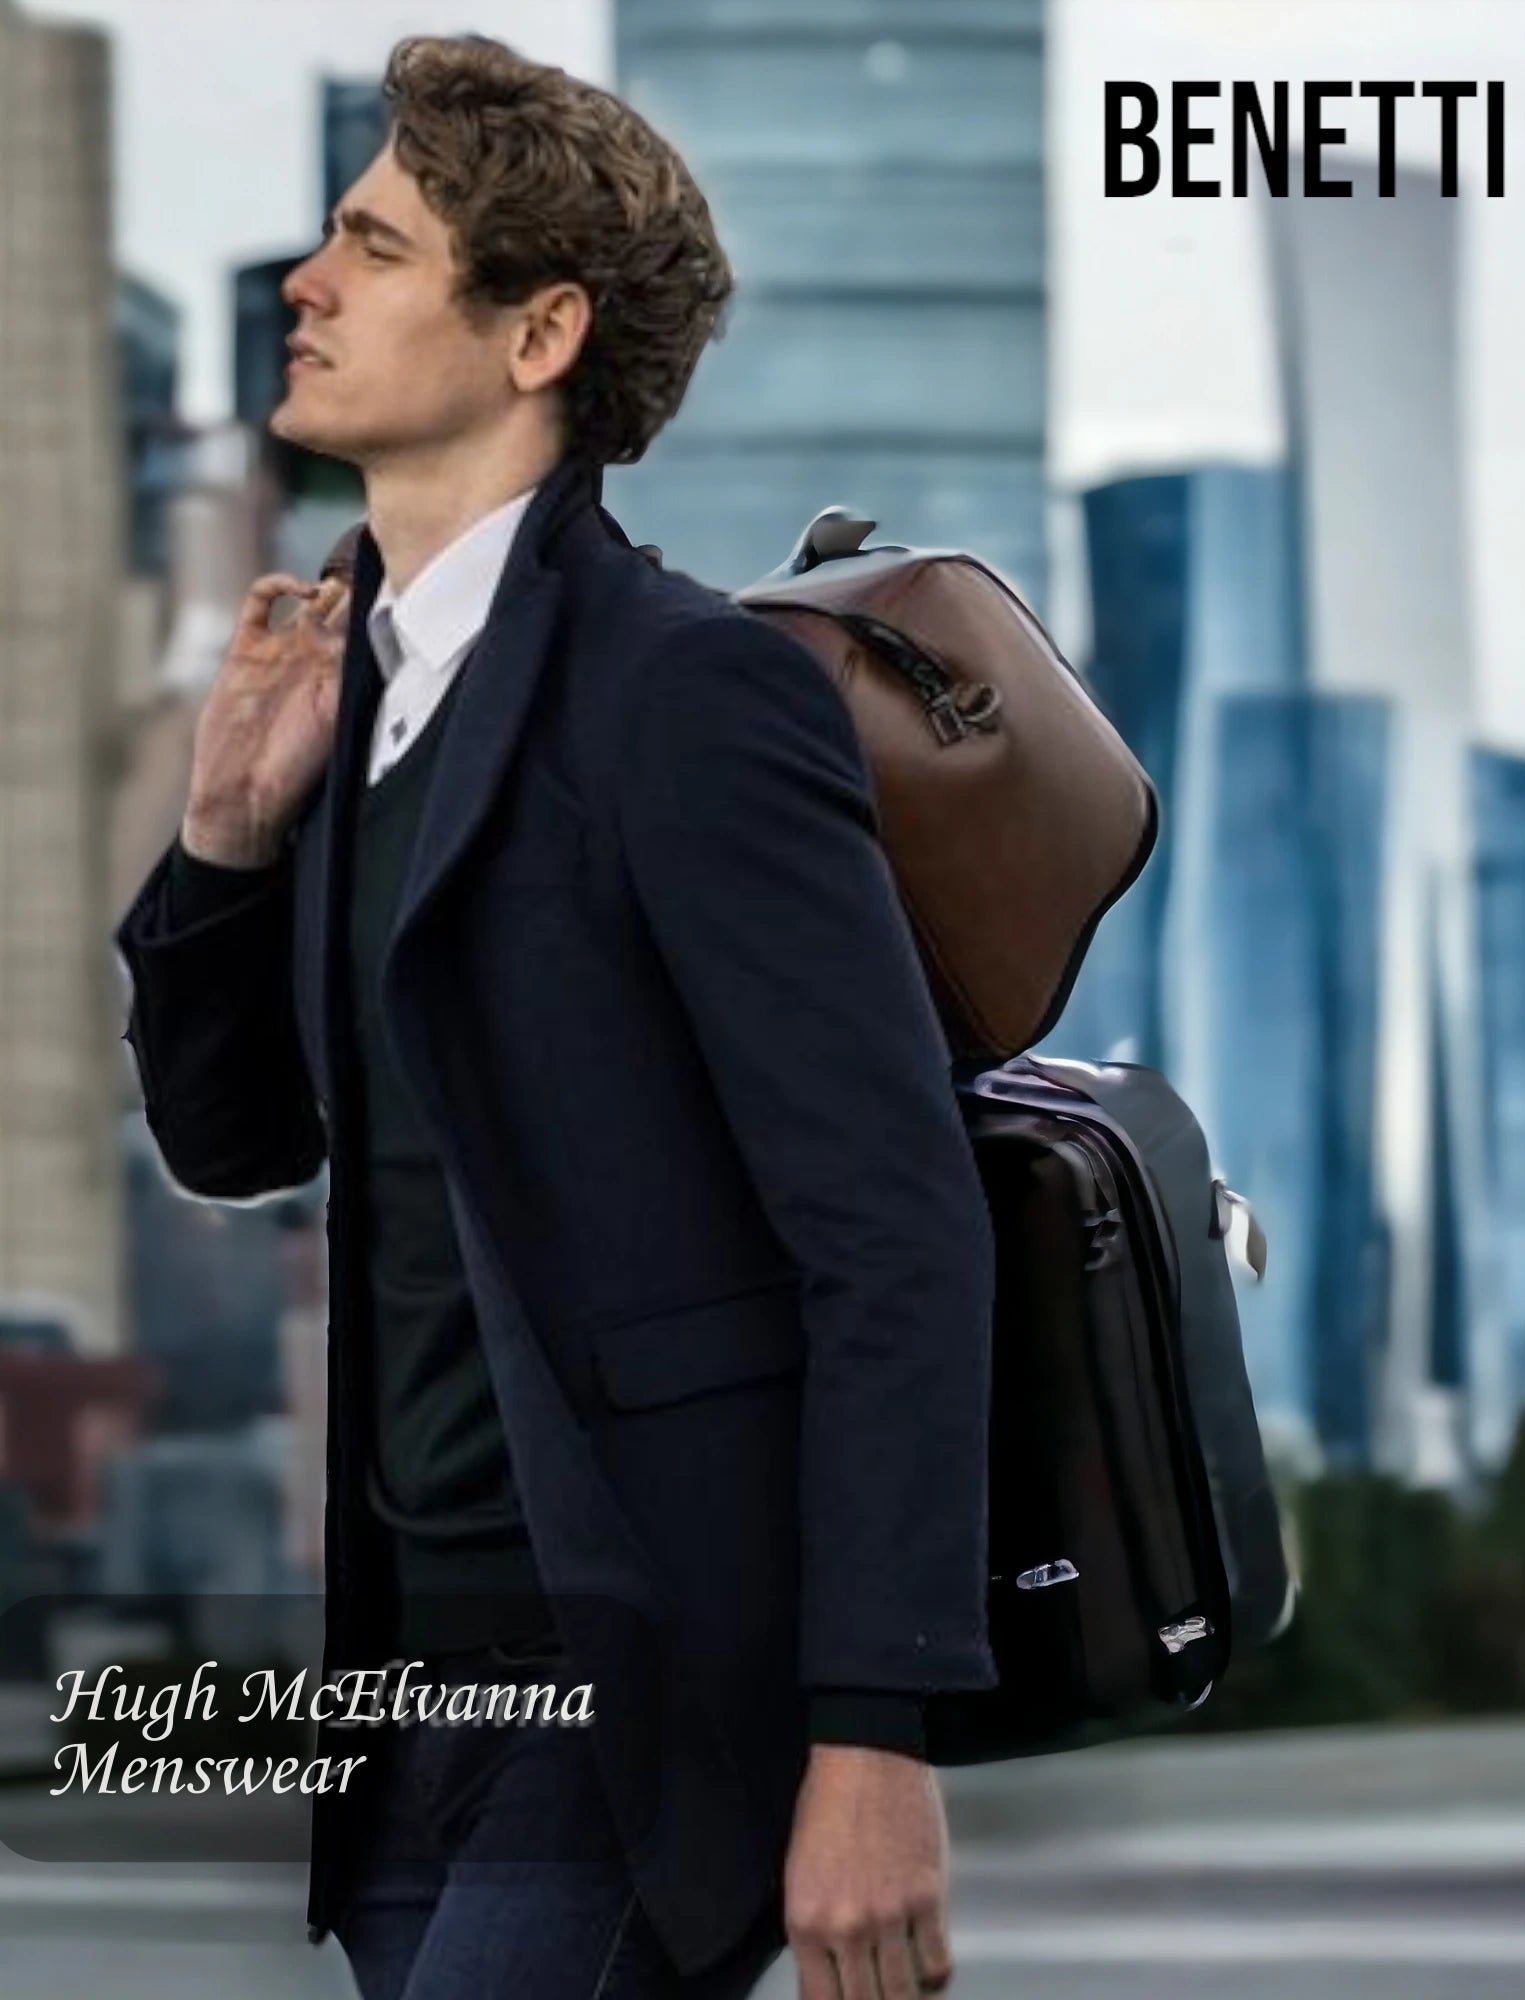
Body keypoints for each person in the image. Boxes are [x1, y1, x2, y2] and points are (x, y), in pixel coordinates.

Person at [112, 32, 997, 2000]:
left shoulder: (685, 693)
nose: (304, 282)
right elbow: (235, 1142)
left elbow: (892, 1223)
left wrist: (873, 1735)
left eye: (375, 246)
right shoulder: (360, 700)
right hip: (409, 1691)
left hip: (632, 1688)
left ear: (539, 332)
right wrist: (226, 839)